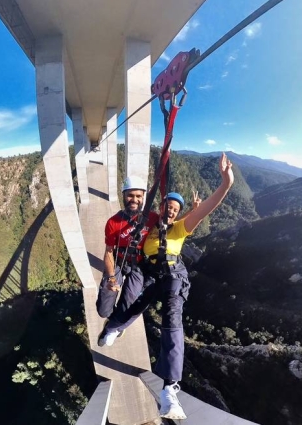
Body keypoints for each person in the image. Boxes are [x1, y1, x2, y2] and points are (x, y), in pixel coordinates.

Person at [98, 153, 234, 420]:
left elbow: (208, 207)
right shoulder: (149, 224)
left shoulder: (181, 228)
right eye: (168, 205)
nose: (171, 209)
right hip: (148, 272)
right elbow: (130, 222)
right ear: (160, 207)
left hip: (172, 276)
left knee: (171, 318)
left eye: (175, 208)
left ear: (179, 213)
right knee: (136, 303)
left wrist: (225, 183)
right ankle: (114, 327)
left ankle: (170, 389)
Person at [95, 175, 160, 333]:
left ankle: (116, 324)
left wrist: (192, 210)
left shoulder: (152, 218)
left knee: (128, 304)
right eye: (130, 195)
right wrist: (111, 278)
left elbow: (173, 225)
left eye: (139, 196)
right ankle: (110, 316)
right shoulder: (113, 222)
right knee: (103, 311)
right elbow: (109, 252)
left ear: (144, 197)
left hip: (138, 266)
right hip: (118, 261)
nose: (134, 199)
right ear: (123, 195)